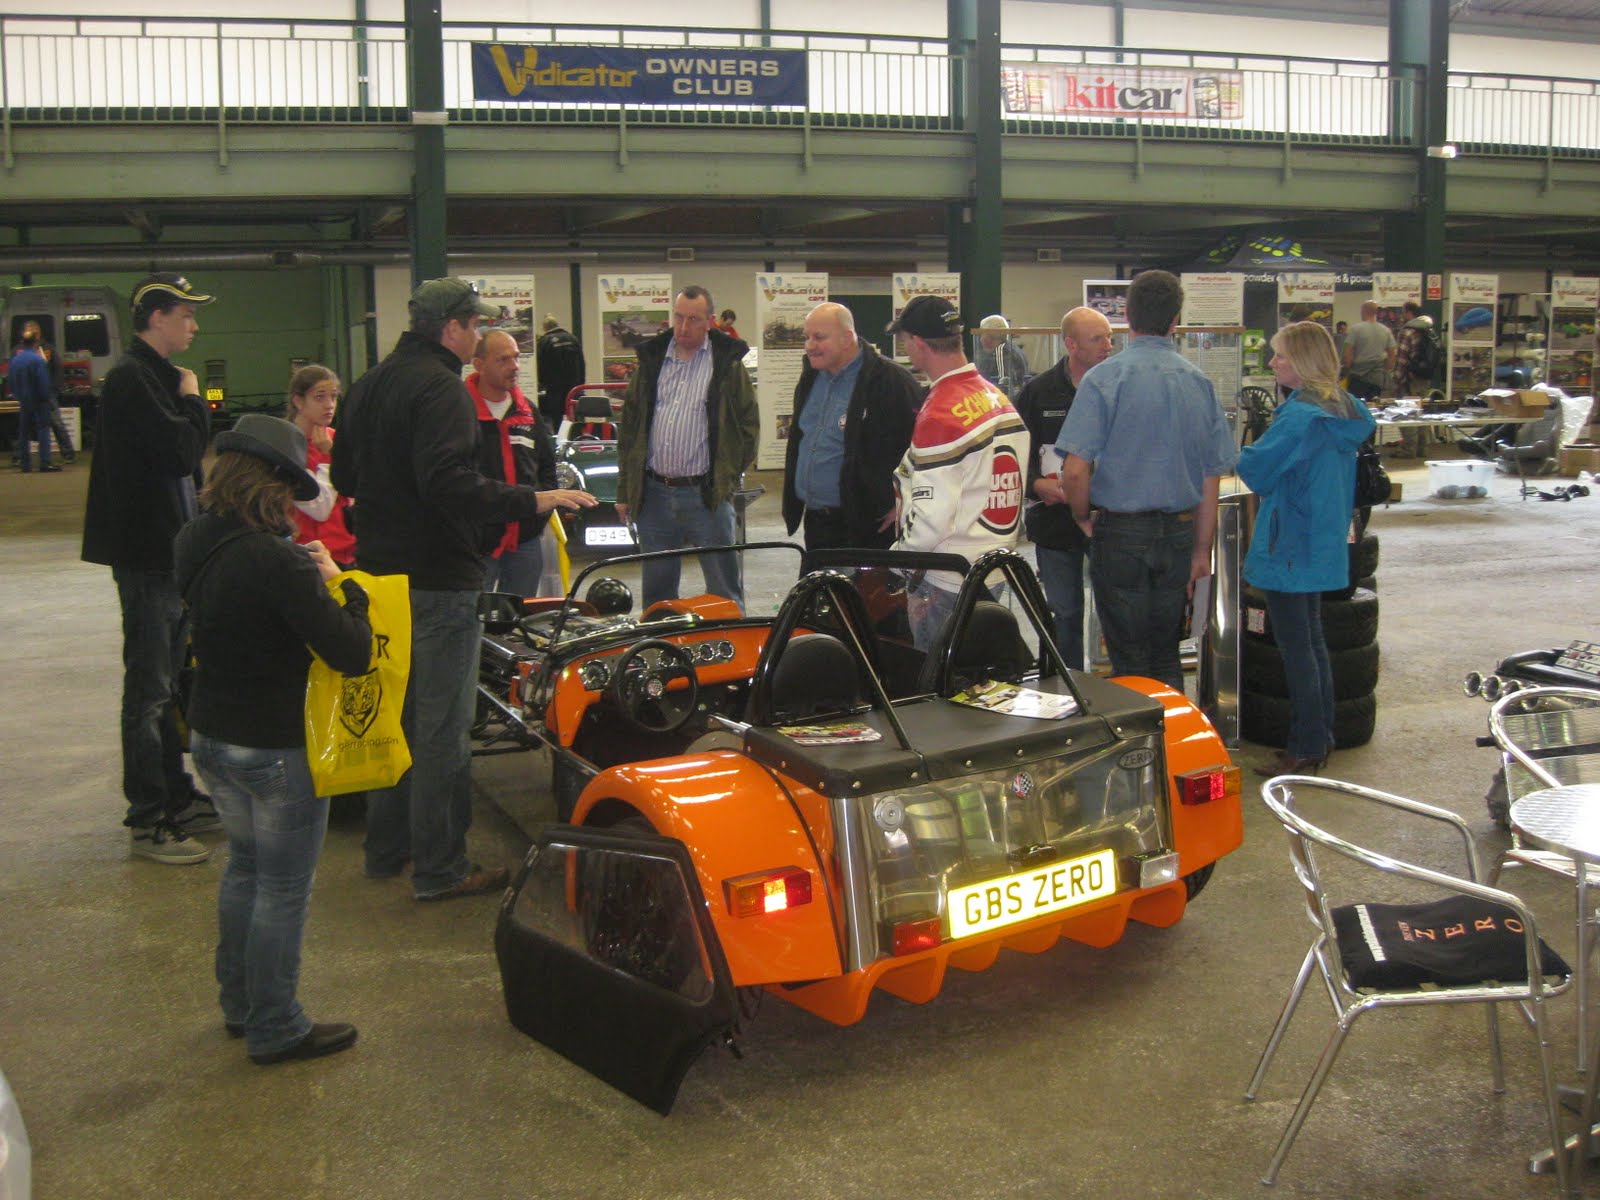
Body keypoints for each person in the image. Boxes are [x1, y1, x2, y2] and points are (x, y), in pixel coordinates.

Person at [331, 277, 594, 901]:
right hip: (439, 577)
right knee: (443, 729)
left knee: (397, 718)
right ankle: (441, 869)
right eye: (474, 326)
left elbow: (344, 473)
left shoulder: (368, 384)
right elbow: (448, 483)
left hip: (379, 578)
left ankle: (387, 850)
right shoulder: (442, 389)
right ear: (452, 329)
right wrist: (535, 497)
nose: (477, 336)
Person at [175, 415, 373, 1065]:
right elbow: (349, 653)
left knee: (245, 871)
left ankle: (241, 1005)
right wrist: (346, 590)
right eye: (289, 488)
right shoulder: (278, 559)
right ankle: (276, 1025)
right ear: (271, 485)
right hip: (277, 747)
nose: (293, 501)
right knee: (282, 889)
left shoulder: (193, 538)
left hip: (212, 735)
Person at [82, 273, 221, 864]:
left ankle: (176, 796)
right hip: (146, 560)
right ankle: (148, 819)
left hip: (169, 555)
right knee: (148, 692)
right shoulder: (134, 380)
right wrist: (194, 399)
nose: (194, 325)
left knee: (167, 690)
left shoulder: (153, 378)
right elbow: (180, 452)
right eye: (187, 315)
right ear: (157, 317)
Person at [1057, 269, 1236, 692]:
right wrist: (1201, 550)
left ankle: (1140, 754)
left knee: (1128, 659)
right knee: (1166, 654)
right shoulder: (1199, 383)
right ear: (1176, 321)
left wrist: (1082, 516)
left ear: (1127, 318)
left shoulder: (1104, 379)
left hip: (1121, 534)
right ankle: (1176, 749)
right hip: (1179, 532)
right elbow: (1212, 478)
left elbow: (1075, 469)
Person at [1237, 323, 1375, 776]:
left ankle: (1305, 748)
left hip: (1290, 544)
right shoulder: (1343, 408)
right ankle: (1320, 737)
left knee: (1299, 650)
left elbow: (1257, 469)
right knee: (1313, 645)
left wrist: (1223, 447)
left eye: (1279, 356)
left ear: (1301, 361)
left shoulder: (1299, 418)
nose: (1273, 363)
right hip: (1321, 540)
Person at [887, 295, 1027, 648]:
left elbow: (933, 521)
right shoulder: (996, 397)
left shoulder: (940, 412)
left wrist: (897, 564)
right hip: (992, 566)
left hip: (947, 579)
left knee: (939, 689)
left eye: (904, 341)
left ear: (918, 343)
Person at [614, 285, 759, 611]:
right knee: (657, 595)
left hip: (705, 496)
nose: (683, 327)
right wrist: (626, 490)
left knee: (724, 590)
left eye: (693, 320)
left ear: (709, 322)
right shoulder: (651, 363)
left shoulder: (727, 367)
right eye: (678, 318)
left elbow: (749, 428)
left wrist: (725, 475)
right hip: (654, 496)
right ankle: (660, 651)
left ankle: (732, 651)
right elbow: (630, 430)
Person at [1013, 306, 1113, 669]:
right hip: (1055, 523)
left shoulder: (1118, 388)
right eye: (1097, 338)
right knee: (1064, 612)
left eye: (1109, 337)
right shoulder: (1038, 393)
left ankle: (1116, 690)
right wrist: (1035, 483)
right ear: (1070, 344)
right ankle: (1067, 684)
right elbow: (1012, 453)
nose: (1107, 345)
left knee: (1112, 611)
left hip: (1109, 520)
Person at [782, 301, 919, 552]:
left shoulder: (891, 381)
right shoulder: (811, 378)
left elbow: (921, 446)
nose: (809, 345)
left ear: (847, 338)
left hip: (867, 526)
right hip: (816, 523)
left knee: (863, 592)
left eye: (819, 337)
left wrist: (905, 501)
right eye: (807, 337)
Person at [470, 328, 557, 596]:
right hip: (478, 544)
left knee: (521, 621)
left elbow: (546, 470)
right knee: (472, 623)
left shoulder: (528, 411)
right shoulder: (460, 411)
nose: (515, 367)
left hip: (525, 541)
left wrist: (537, 517)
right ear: (479, 365)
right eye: (503, 360)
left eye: (517, 358)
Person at [286, 364, 356, 570]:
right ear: (298, 401)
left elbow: (354, 491)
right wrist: (329, 458)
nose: (329, 405)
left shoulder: (337, 438)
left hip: (347, 551)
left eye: (333, 397)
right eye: (320, 397)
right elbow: (319, 508)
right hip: (309, 555)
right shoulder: (287, 446)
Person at [19, 320, 76, 464]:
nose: (32, 333)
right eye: (29, 330)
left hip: (47, 392)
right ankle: (19, 457)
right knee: (23, 425)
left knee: (56, 423)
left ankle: (68, 453)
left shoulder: (48, 349)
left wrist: (55, 388)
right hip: (27, 393)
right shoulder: (19, 350)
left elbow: (57, 368)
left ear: (39, 333)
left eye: (34, 330)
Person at [1391, 300, 1439, 458]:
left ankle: (1408, 450)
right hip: (1424, 378)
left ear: (1408, 312)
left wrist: (1397, 379)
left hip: (1409, 380)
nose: (1402, 316)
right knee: (1420, 414)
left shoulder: (1408, 331)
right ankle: (1422, 448)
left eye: (1403, 312)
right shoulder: (1428, 329)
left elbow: (1402, 358)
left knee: (1407, 414)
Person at [7, 328, 59, 473]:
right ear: (35, 342)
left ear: (22, 343)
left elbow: (10, 380)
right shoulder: (38, 360)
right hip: (39, 400)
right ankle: (45, 463)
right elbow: (42, 382)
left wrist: (18, 395)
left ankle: (25, 464)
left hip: (23, 400)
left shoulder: (16, 359)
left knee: (23, 432)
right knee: (43, 430)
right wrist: (46, 397)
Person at [534, 315, 585, 431]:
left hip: (554, 388)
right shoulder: (572, 338)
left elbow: (541, 365)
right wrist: (581, 384)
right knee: (576, 416)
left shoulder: (544, 341)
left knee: (556, 417)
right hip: (574, 386)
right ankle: (577, 437)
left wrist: (542, 384)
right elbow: (582, 363)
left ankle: (559, 439)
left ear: (545, 327)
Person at [1342, 301, 1395, 403]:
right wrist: (1386, 370)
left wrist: (1346, 370)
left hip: (1357, 378)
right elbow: (1392, 356)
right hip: (1377, 378)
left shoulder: (1355, 329)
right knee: (1374, 407)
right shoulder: (1386, 330)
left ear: (1363, 311)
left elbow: (1347, 355)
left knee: (1356, 408)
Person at [974, 314, 1031, 400]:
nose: (981, 339)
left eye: (982, 333)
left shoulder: (1001, 351)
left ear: (990, 335)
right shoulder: (1013, 349)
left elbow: (1004, 385)